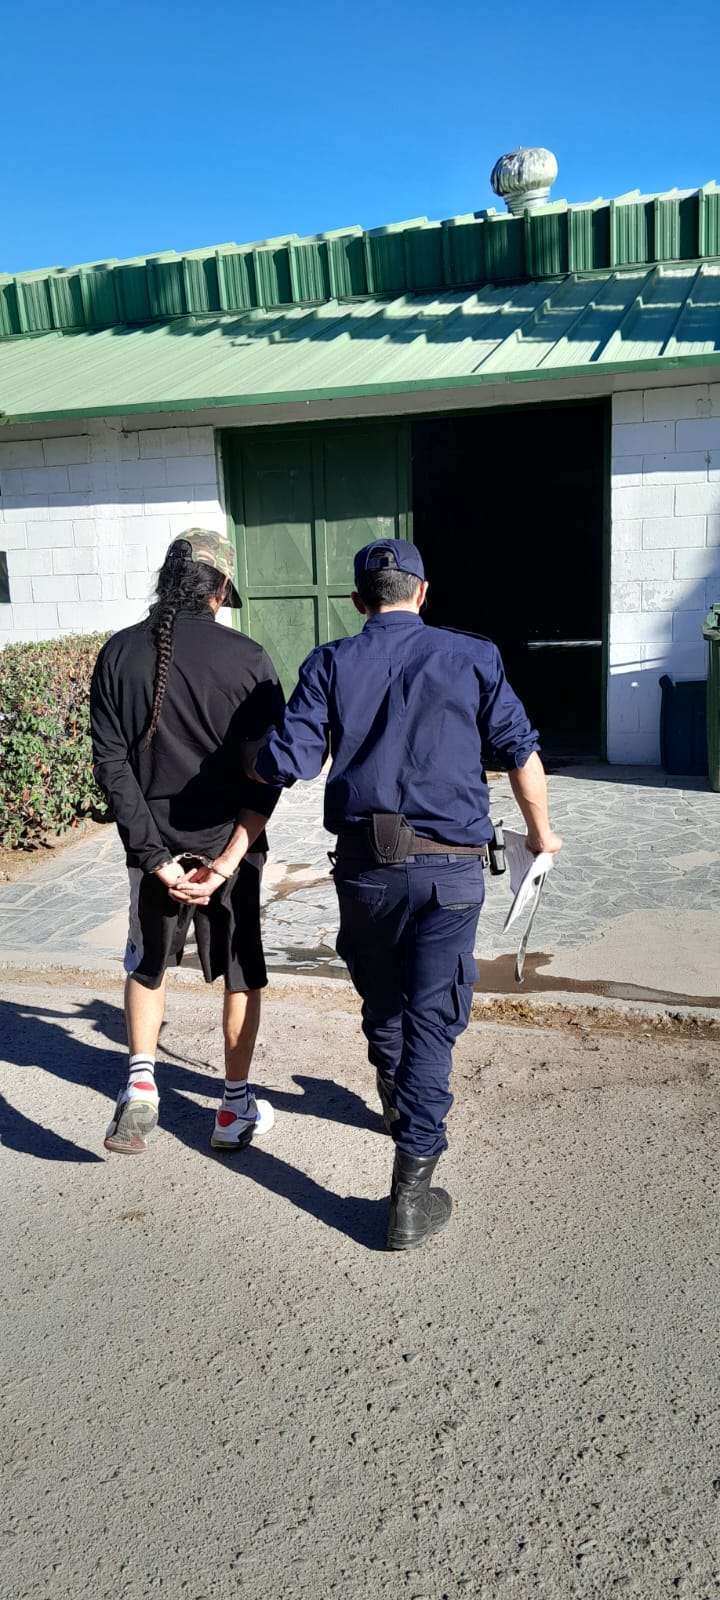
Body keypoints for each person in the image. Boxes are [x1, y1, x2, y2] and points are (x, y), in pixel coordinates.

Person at [246, 539, 561, 1251]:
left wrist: (242, 757)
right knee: (432, 1017)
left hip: (366, 871)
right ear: (422, 591)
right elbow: (521, 752)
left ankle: (398, 1101)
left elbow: (288, 762)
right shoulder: (473, 656)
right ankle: (411, 1193)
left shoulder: (329, 662)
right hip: (450, 874)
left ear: (359, 601)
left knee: (384, 998)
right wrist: (543, 834)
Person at [90, 529, 284, 1157]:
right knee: (241, 975)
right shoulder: (249, 659)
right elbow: (270, 773)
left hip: (153, 849)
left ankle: (141, 1085)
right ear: (220, 588)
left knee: (146, 964)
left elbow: (111, 766)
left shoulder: (118, 653)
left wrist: (154, 858)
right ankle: (232, 1109)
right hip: (232, 851)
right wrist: (227, 861)